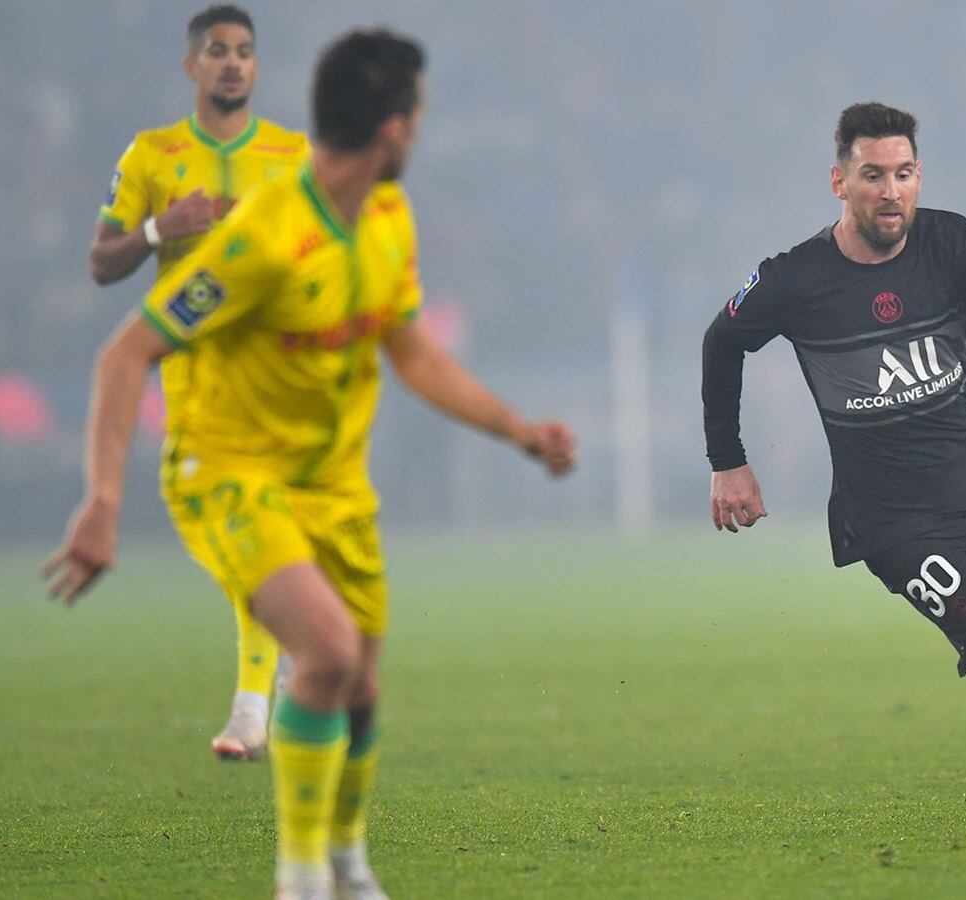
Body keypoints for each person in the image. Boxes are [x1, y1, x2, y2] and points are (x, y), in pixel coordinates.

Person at [45, 29, 577, 898]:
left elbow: (413, 354)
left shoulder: (388, 218)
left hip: (333, 488)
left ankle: (344, 857)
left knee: (360, 685)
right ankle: (299, 880)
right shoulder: (263, 236)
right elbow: (124, 353)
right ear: (395, 130)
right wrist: (101, 502)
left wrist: (517, 431)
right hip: (227, 472)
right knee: (326, 651)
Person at [701, 102, 966, 825]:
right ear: (839, 182)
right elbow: (723, 341)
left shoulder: (950, 242)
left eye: (903, 174)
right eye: (872, 175)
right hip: (891, 516)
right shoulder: (795, 278)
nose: (891, 191)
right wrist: (729, 461)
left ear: (918, 176)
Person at [89, 4, 310, 762]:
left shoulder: (291, 154)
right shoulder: (152, 156)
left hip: (272, 374)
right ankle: (286, 655)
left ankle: (253, 709)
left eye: (245, 52)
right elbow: (101, 260)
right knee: (226, 542)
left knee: (255, 537)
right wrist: (160, 231)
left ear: (256, 66)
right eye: (218, 51)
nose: (232, 64)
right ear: (192, 66)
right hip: (187, 381)